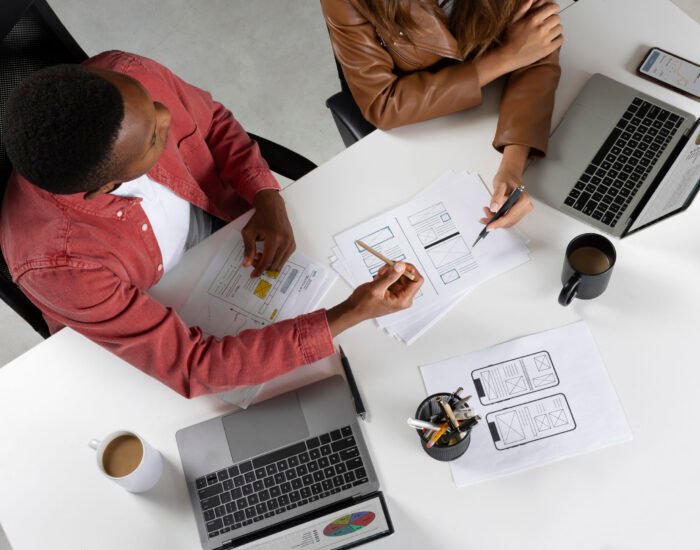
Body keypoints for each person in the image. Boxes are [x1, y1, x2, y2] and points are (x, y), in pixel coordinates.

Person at [0, 50, 423, 398]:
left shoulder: (127, 74)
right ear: (105, 186)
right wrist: (351, 312)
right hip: (150, 307)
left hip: (219, 224)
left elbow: (214, 124)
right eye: (153, 139)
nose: (164, 115)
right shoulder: (59, 265)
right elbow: (193, 366)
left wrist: (266, 197)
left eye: (151, 105)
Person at [321, 0, 563, 230]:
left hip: (482, 114)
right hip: (418, 130)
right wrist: (505, 58)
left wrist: (512, 165)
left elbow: (537, 43)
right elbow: (383, 102)